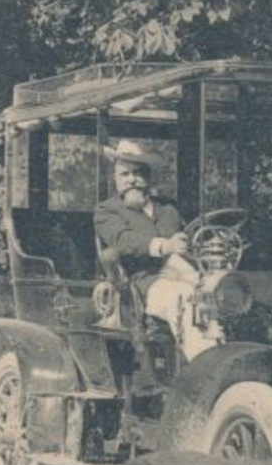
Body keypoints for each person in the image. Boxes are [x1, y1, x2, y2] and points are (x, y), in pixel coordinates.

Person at [92, 139, 218, 360]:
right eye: (125, 174)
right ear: (115, 178)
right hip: (140, 285)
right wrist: (164, 245)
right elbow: (124, 240)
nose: (132, 180)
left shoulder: (169, 209)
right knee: (184, 297)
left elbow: (193, 238)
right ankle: (206, 369)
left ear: (149, 178)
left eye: (138, 173)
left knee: (223, 294)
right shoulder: (107, 211)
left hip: (185, 274)